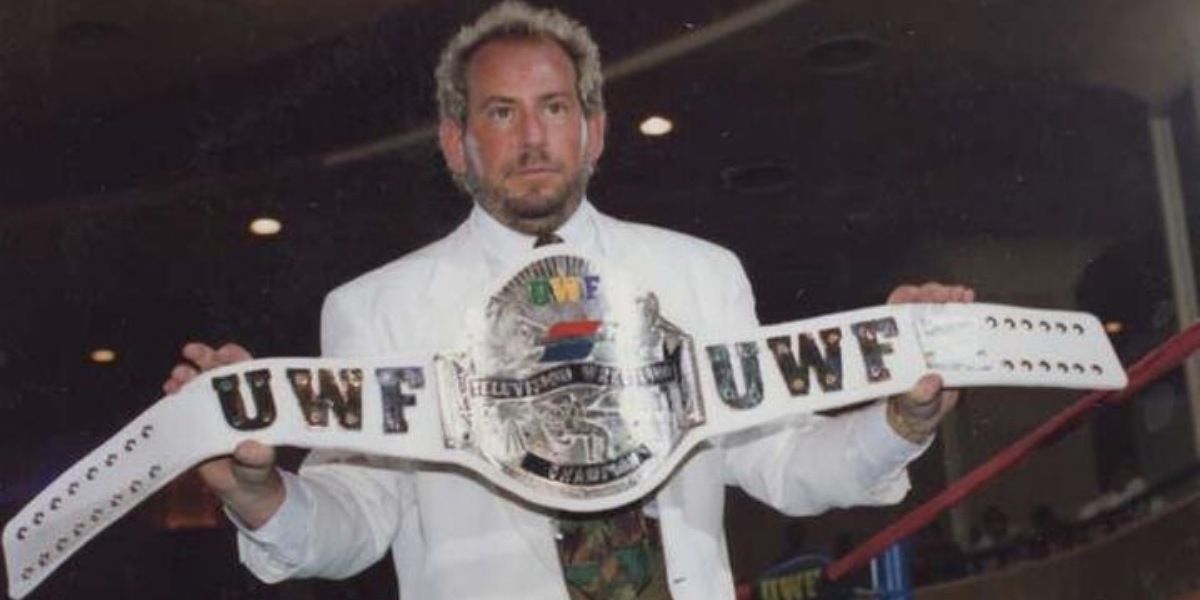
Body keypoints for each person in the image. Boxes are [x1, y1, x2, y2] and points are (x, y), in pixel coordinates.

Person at [162, 3, 973, 599]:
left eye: (553, 108)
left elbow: (784, 464)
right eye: (501, 113)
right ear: (456, 143)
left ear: (594, 130)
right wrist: (259, 495)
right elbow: (359, 517)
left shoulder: (700, 274)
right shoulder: (377, 310)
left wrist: (901, 419)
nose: (531, 139)